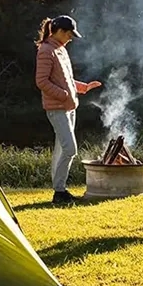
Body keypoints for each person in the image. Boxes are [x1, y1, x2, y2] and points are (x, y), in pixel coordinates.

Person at [35, 15, 102, 204]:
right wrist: (64, 95)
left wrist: (82, 87)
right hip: (57, 108)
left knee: (61, 149)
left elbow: (64, 79)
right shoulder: (46, 50)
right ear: (59, 31)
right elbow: (41, 81)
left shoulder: (60, 49)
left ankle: (59, 189)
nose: (71, 38)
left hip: (69, 107)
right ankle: (59, 191)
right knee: (70, 149)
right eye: (69, 34)